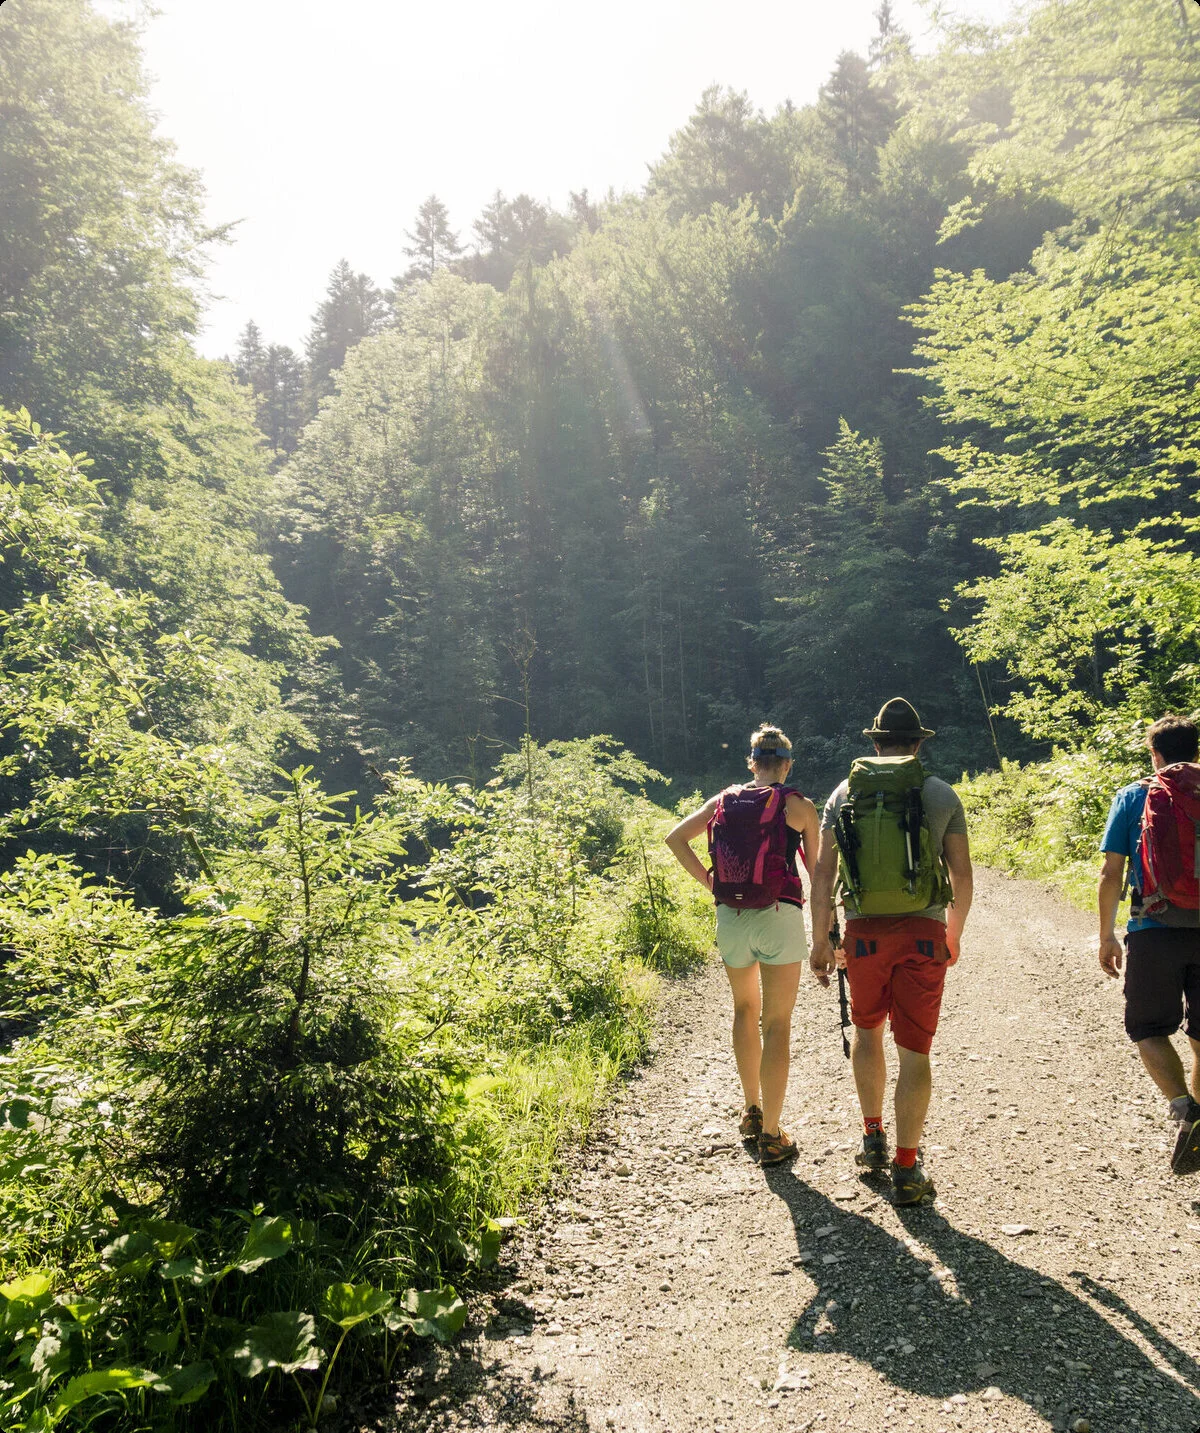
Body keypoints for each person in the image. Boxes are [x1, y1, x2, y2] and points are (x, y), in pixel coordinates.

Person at [809, 698, 973, 1205]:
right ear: (919, 744)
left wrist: (820, 939)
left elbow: (822, 875)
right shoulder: (940, 793)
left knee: (867, 1031)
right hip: (923, 931)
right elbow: (962, 875)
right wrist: (955, 933)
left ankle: (872, 1137)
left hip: (863, 936)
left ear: (875, 742)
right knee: (915, 1050)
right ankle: (907, 1168)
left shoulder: (843, 793)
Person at [665, 725, 820, 1164]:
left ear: (752, 763)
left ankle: (750, 1111)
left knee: (744, 1010)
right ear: (787, 765)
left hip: (730, 917)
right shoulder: (798, 806)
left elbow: (675, 837)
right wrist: (828, 924)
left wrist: (709, 881)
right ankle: (772, 1134)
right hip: (779, 916)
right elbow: (818, 870)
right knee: (777, 1023)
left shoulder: (724, 801)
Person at [1098, 715, 1200, 1176]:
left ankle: (1186, 1110)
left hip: (1152, 928)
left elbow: (1111, 872)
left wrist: (1105, 934)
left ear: (1154, 753)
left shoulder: (1135, 795)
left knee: (1148, 1028)